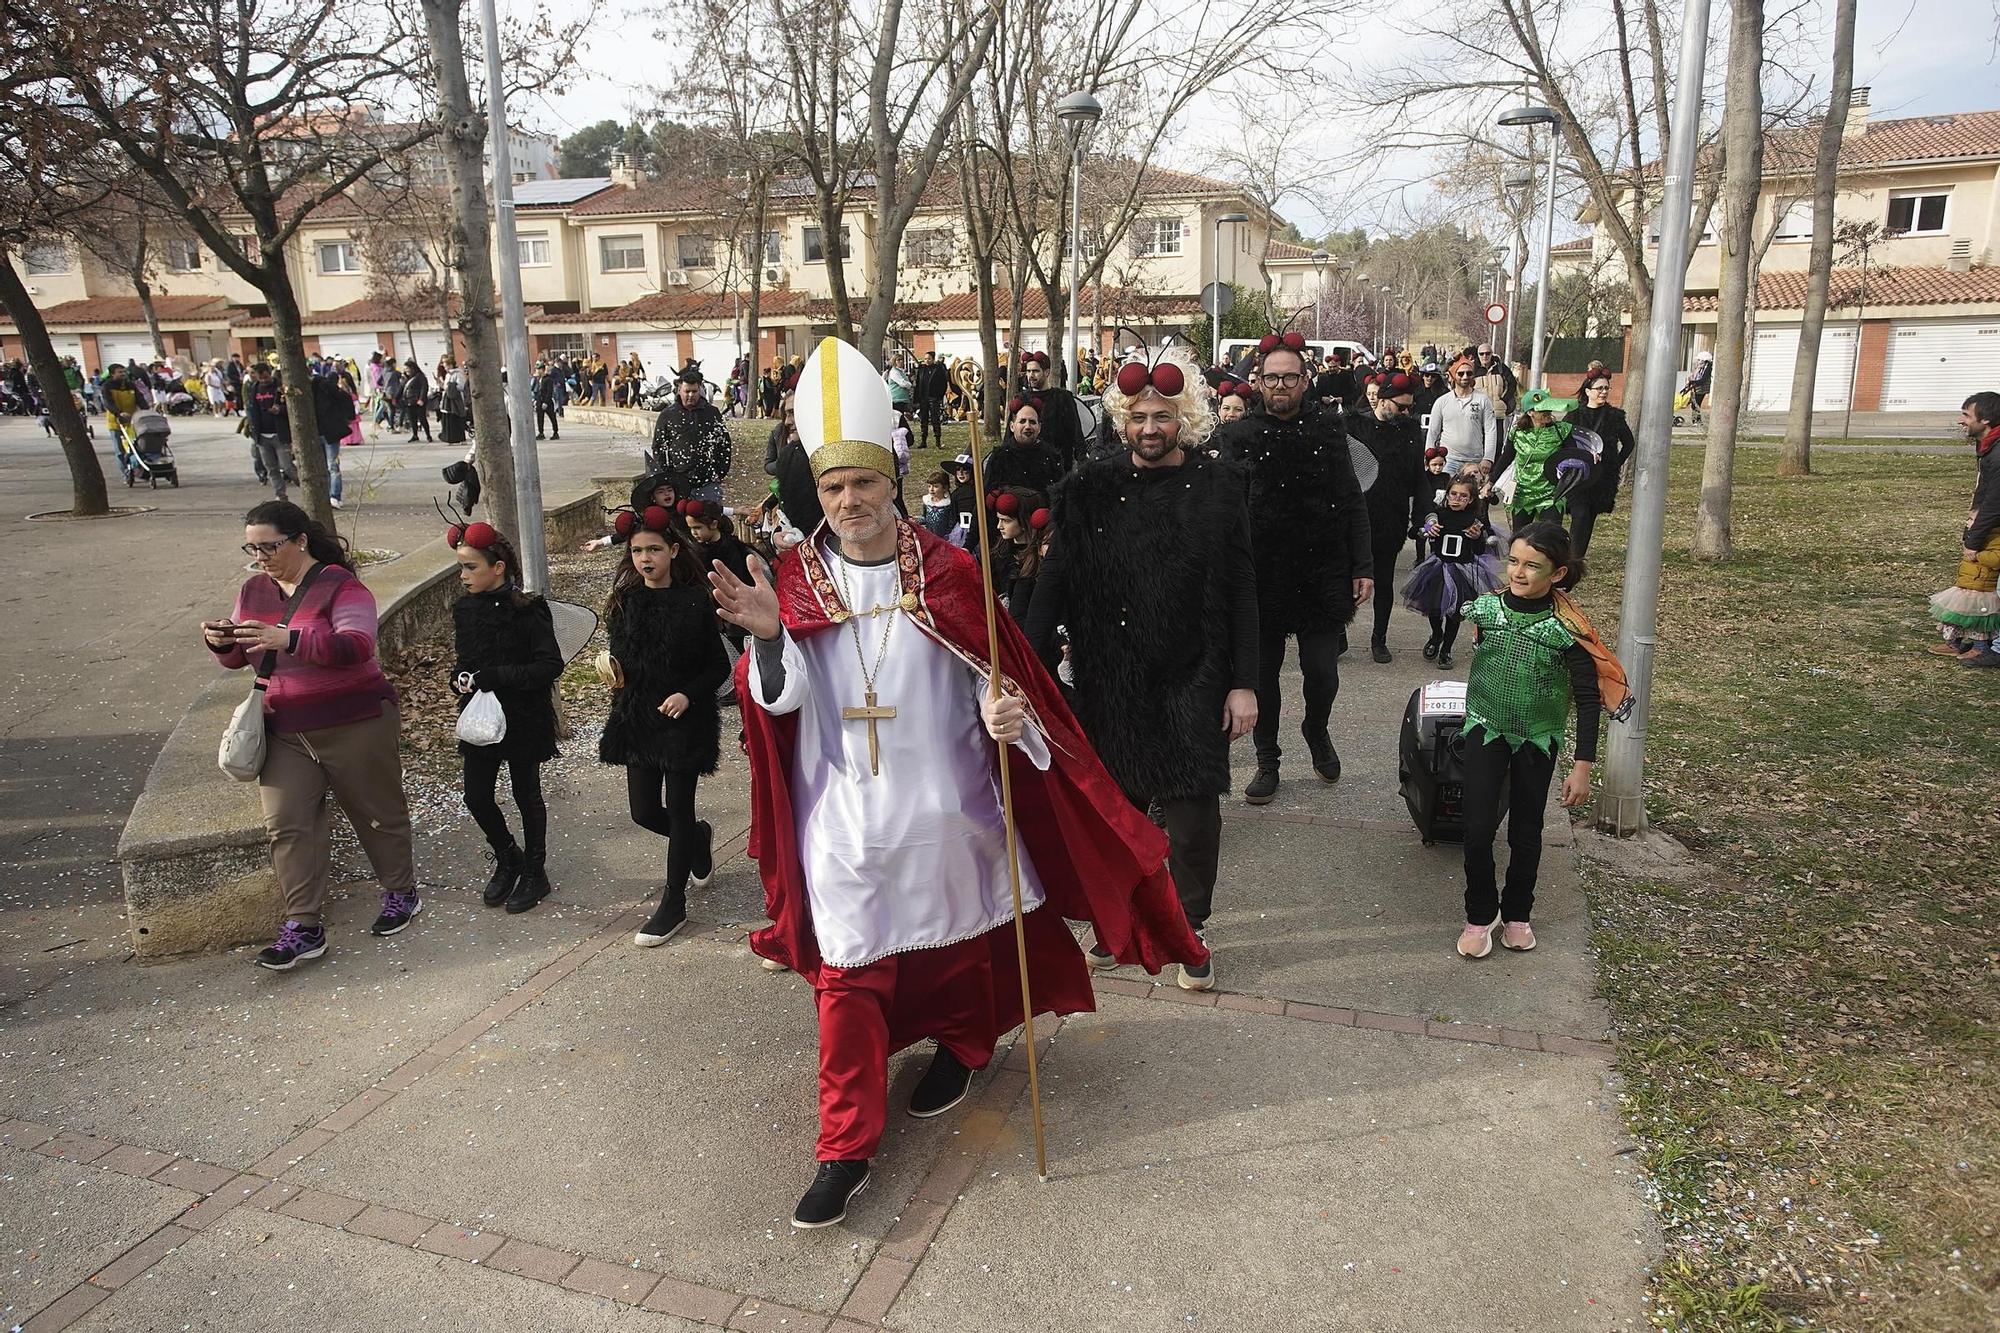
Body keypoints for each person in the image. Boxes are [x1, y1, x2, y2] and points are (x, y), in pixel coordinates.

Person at [710, 335, 1204, 1230]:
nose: (850, 501)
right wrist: (768, 637)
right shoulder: (790, 581)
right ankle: (844, 1145)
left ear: (892, 481)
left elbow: (1000, 685)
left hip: (949, 810)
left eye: (863, 482)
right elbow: (776, 704)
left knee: (957, 951)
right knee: (849, 979)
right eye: (833, 487)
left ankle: (965, 1045)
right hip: (846, 823)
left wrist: (1008, 718)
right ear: (815, 494)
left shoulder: (948, 574)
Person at [1024, 343, 1258, 990]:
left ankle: (1190, 927)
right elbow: (1055, 582)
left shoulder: (1218, 486)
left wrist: (1245, 683)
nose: (1150, 429)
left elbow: (1242, 587)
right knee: (1115, 815)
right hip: (1112, 675)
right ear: (1121, 420)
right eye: (1138, 418)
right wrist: (1022, 659)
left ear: (1185, 418)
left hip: (1195, 671)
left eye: (1162, 417)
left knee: (1189, 816)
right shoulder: (1088, 491)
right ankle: (1120, 920)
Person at [201, 501, 419, 969]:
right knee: (287, 825)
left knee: (376, 813)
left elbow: (357, 646)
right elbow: (244, 655)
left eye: (269, 546)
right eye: (252, 547)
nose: (260, 556)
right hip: (285, 730)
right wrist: (222, 643)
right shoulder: (254, 589)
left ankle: (401, 891)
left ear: (300, 541)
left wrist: (292, 639)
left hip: (355, 721)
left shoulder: (342, 586)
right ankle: (304, 926)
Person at [1215, 331, 1372, 804]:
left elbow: (1351, 501)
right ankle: (1268, 761)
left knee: (1322, 671)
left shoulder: (1330, 430)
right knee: (1262, 676)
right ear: (1258, 382)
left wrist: (1361, 564)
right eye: (1271, 378)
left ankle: (1316, 729)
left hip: (1321, 572)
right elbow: (1223, 508)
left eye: (1289, 377)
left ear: (1305, 380)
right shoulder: (1237, 437)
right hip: (1259, 574)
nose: (1280, 385)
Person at [1456, 522, 1618, 959]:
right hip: (1484, 728)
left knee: (1527, 830)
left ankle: (1517, 913)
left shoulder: (1567, 630)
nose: (1518, 573)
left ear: (1558, 574)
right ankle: (1480, 912)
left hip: (1536, 740)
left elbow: (1587, 701)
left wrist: (1583, 766)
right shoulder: (1486, 612)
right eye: (1513, 561)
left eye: (1533, 566)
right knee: (1475, 827)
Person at [599, 504, 732, 945]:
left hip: (683, 722)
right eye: (637, 551)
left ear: (673, 550)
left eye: (654, 548)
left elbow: (717, 667)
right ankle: (697, 837)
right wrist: (612, 671)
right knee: (643, 812)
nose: (645, 558)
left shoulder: (695, 602)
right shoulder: (625, 602)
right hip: (637, 719)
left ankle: (673, 902)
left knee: (678, 808)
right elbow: (624, 661)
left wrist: (687, 695)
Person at [451, 523, 563, 914]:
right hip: (481, 717)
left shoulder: (530, 609)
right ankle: (507, 855)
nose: (463, 577)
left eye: (470, 568)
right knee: (476, 795)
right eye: (460, 569)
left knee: (525, 794)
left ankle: (536, 871)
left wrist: (496, 677)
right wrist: (459, 680)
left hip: (524, 716)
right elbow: (465, 660)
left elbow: (550, 666)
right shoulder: (464, 609)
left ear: (497, 567)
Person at [1347, 372, 1426, 664]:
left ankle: (1379, 638)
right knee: (1346, 579)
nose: (1406, 413)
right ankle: (1340, 635)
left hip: (1390, 519)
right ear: (1381, 400)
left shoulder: (1409, 433)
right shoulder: (1354, 427)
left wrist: (1421, 516)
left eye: (1409, 408)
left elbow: (1419, 478)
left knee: (1383, 581)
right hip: (1353, 520)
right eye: (1401, 406)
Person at [1928, 391, 2000, 666]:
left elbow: (1995, 503)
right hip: (1989, 528)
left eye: (1966, 415)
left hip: (1993, 532)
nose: (1961, 420)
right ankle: (1979, 642)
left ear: (1987, 419)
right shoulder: (1989, 448)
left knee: (1991, 593)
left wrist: (1974, 539)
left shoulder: (1998, 452)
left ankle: (1992, 648)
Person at [1403, 473, 1499, 667]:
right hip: (1438, 568)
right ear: (1446, 495)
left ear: (1471, 499)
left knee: (1455, 613)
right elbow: (1413, 532)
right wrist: (1426, 530)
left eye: (1462, 496)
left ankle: (1446, 650)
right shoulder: (1439, 514)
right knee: (1434, 608)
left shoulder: (1474, 519)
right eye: (1453, 494)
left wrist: (1476, 538)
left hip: (1463, 571)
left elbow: (1482, 549)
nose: (1456, 499)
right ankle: (1437, 634)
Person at [1565, 371, 1634, 557]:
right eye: (1599, 388)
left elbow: (1629, 443)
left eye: (1606, 388)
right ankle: (1571, 558)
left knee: (1589, 518)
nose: (1603, 392)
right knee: (1579, 516)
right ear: (1588, 391)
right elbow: (1563, 445)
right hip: (1579, 478)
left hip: (1602, 480)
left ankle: (1576, 560)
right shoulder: (1573, 417)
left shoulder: (1615, 416)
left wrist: (1614, 464)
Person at [1492, 387, 1578, 530]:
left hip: (1551, 494)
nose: (1548, 413)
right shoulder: (1517, 433)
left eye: (1549, 409)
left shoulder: (1561, 430)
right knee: (1520, 538)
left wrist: (1589, 456)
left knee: (1550, 538)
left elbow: (1574, 455)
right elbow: (1506, 457)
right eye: (1542, 410)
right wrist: (1491, 482)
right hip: (1522, 494)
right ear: (1530, 412)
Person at [650, 366, 733, 503]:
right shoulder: (667, 415)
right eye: (687, 391)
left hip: (708, 482)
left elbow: (724, 443)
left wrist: (720, 471)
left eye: (694, 391)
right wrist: (667, 474)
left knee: (711, 521)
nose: (690, 395)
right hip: (679, 483)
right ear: (679, 390)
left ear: (699, 390)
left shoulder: (711, 413)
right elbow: (658, 446)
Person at [1424, 355, 1501, 479]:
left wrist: (1488, 458)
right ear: (1454, 375)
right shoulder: (1442, 401)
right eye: (1461, 373)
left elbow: (1491, 431)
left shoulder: (1483, 400)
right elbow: (1433, 431)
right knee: (1444, 495)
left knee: (1472, 497)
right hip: (1448, 460)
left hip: (1475, 461)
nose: (1465, 377)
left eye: (1469, 373)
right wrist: (1429, 457)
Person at [983, 398, 1065, 500]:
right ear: (1012, 426)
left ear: (1039, 427)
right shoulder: (999, 458)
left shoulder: (1052, 457)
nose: (1027, 426)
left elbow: (1061, 497)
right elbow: (987, 497)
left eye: (1032, 422)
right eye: (1022, 421)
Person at [1015, 351, 1083, 473]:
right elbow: (1013, 433)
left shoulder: (1062, 398)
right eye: (1028, 371)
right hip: (1028, 465)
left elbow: (1075, 431)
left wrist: (1082, 461)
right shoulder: (1021, 399)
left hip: (1058, 466)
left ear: (1046, 372)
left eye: (1035, 371)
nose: (1031, 375)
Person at [244, 362, 297, 499]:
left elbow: (292, 407)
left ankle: (304, 485)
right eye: (260, 378)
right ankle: (280, 494)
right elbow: (252, 410)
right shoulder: (254, 388)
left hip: (279, 434)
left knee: (287, 467)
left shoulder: (279, 387)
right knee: (271, 468)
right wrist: (253, 430)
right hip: (262, 436)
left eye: (266, 378)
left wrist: (280, 410)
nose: (264, 381)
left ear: (270, 373)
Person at [311, 368, 356, 509]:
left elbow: (345, 398)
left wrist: (347, 417)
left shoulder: (324, 388)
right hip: (323, 431)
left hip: (327, 431)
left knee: (331, 465)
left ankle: (334, 495)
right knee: (329, 466)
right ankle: (331, 496)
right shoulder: (317, 389)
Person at [914, 350, 948, 449]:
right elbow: (918, 384)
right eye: (925, 359)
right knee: (923, 420)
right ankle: (923, 441)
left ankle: (937, 441)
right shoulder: (922, 369)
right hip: (923, 398)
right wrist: (916, 400)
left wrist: (939, 396)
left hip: (933, 397)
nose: (927, 361)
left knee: (935, 419)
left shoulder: (938, 369)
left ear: (933, 359)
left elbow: (943, 384)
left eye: (929, 359)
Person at [1475, 343, 1517, 413]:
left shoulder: (1501, 368)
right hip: (1479, 412)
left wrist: (1502, 401)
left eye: (1487, 353)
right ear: (1478, 355)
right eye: (1481, 354)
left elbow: (1512, 384)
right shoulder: (1472, 369)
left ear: (1492, 354)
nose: (1484, 356)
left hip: (1498, 411)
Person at [918, 468, 956, 539]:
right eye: (929, 486)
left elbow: (952, 522)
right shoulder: (927, 502)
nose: (931, 489)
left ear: (945, 488)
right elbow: (925, 517)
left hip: (944, 538)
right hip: (930, 536)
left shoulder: (948, 504)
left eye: (936, 486)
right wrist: (916, 520)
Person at [403, 360, 433, 442]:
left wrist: (421, 399)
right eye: (405, 369)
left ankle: (428, 435)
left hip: (418, 401)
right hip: (409, 401)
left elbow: (424, 388)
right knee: (412, 420)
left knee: (422, 419)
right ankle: (415, 435)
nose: (406, 371)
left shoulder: (420, 376)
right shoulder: (406, 378)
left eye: (407, 369)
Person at [534, 359, 565, 440]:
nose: (537, 371)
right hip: (539, 401)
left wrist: (546, 402)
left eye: (538, 369)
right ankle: (541, 433)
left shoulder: (548, 379)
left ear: (542, 369)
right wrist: (536, 400)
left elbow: (549, 391)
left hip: (547, 401)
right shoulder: (539, 379)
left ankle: (555, 432)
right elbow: (538, 390)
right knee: (540, 418)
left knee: (552, 417)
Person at [1682, 351, 1713, 424]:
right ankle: (1696, 420)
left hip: (1701, 388)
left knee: (1696, 404)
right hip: (1696, 387)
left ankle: (1696, 421)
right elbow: (1694, 375)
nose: (1698, 361)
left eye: (1700, 360)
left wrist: (1693, 382)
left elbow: (1703, 379)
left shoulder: (1707, 368)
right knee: (1694, 404)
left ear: (1704, 360)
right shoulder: (1699, 367)